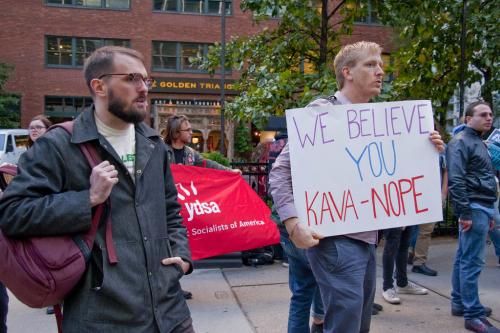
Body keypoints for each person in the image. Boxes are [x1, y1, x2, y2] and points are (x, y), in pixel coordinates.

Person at [0, 46, 194, 332]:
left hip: (170, 313)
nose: (143, 88)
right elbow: (13, 213)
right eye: (131, 79)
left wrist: (183, 258)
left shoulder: (154, 144)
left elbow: (170, 208)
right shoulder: (59, 145)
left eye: (146, 80)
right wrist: (86, 199)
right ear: (99, 86)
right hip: (101, 317)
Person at [269, 41, 444, 333]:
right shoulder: (323, 113)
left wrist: (425, 150)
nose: (380, 71)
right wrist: (292, 223)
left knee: (357, 322)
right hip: (335, 239)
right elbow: (280, 172)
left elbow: (385, 171)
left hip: (365, 238)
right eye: (371, 64)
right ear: (347, 72)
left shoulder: (376, 121)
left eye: (381, 64)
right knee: (346, 324)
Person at [447, 101, 499, 333]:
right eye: (483, 114)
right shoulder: (461, 142)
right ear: (468, 119)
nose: (489, 118)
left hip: (482, 205)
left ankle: (460, 303)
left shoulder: (478, 141)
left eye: (490, 114)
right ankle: (473, 314)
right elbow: (456, 180)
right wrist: (465, 212)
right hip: (475, 206)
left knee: (463, 257)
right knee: (472, 261)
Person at [164, 114, 239, 173]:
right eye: (188, 130)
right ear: (176, 133)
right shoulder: (162, 152)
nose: (191, 133)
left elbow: (208, 164)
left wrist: (230, 171)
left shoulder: (191, 153)